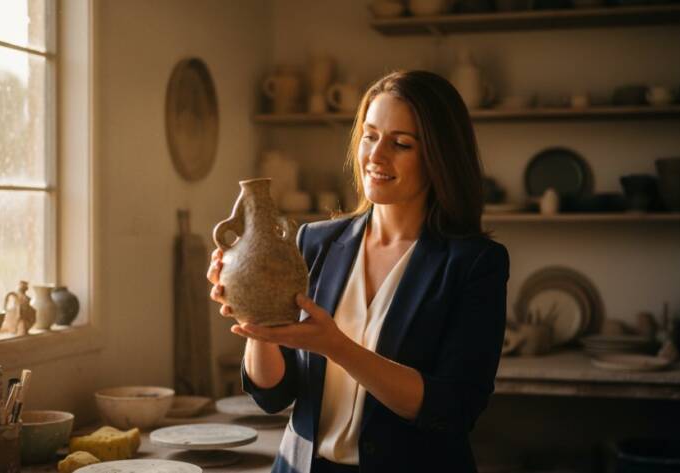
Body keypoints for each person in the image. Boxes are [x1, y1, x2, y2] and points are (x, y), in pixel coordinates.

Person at [207, 70, 509, 473]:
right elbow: (274, 394)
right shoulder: (313, 242)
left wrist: (337, 346)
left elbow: (453, 409)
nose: (376, 156)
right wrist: (255, 321)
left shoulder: (474, 263)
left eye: (400, 143)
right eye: (369, 135)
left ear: (440, 156)